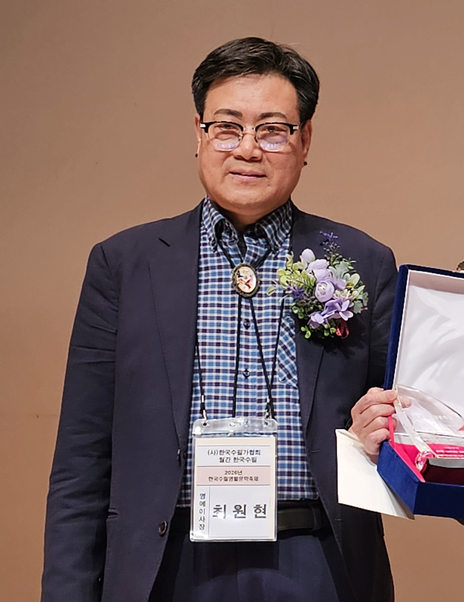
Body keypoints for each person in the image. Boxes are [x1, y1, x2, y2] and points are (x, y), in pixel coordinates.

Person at [42, 37, 395, 602]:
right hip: (166, 563)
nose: (248, 149)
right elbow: (82, 460)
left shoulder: (362, 262)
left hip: (315, 558)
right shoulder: (125, 264)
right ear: (198, 135)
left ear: (305, 142)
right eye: (227, 127)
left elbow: (395, 431)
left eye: (273, 130)